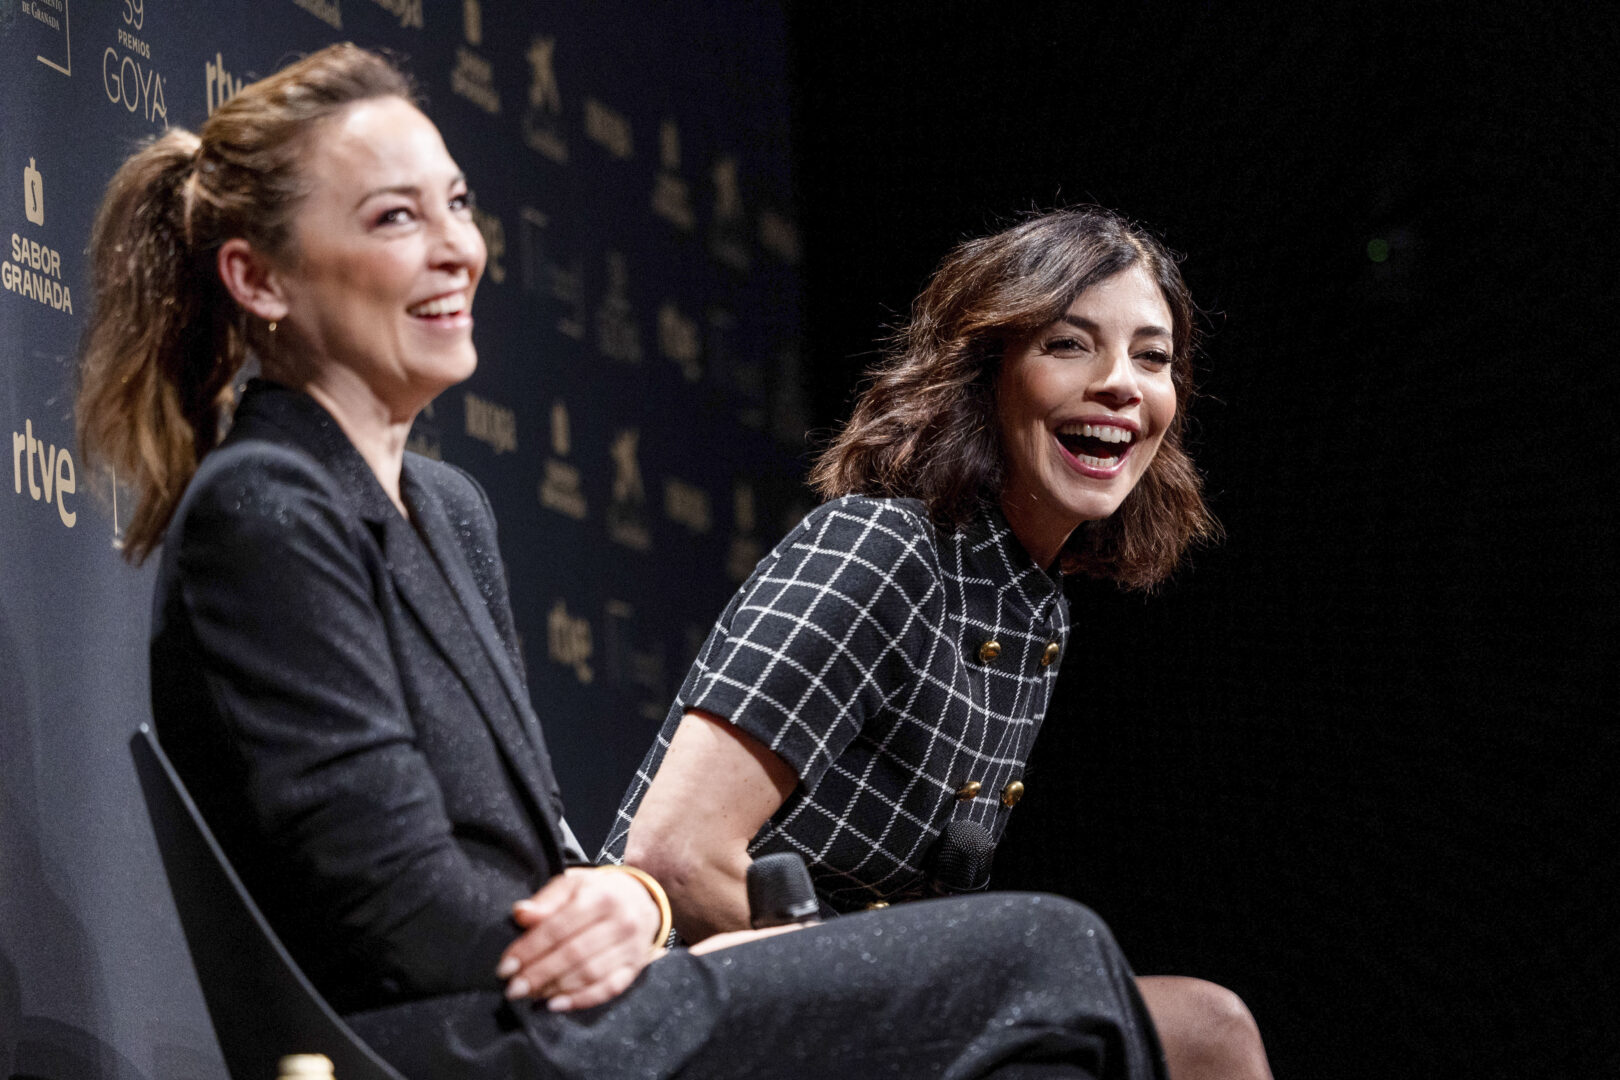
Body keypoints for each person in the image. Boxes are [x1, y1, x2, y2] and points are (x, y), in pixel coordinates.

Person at [77, 44, 1171, 1080]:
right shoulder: (264, 506)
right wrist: (636, 930)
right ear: (258, 279)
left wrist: (633, 911)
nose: (457, 245)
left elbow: (534, 855)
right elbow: (392, 908)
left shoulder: (446, 509)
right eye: (394, 217)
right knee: (1051, 952)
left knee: (1053, 1007)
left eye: (456, 204)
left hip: (558, 1011)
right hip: (476, 1042)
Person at [604, 208, 1274, 1080]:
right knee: (1190, 1026)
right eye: (1069, 344)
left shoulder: (1035, 613)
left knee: (1189, 1033)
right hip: (679, 1012)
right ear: (984, 372)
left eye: (1152, 357)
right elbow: (675, 857)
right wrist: (886, 1005)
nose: (1121, 384)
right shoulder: (880, 548)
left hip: (839, 1007)